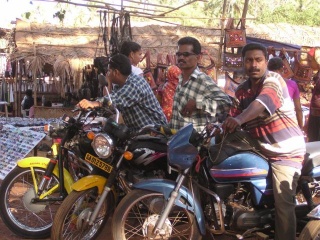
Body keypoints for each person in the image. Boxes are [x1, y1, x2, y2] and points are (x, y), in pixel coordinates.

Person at [222, 43, 306, 240]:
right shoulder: (242, 89)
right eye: (249, 60)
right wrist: (218, 126)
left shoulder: (274, 80)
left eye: (258, 60)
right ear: (243, 63)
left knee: (283, 204)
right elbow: (232, 115)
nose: (254, 64)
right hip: (260, 146)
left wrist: (239, 120)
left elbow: (260, 105)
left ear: (266, 62)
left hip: (284, 151)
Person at [78, 53, 167, 133]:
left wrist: (94, 103)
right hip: (137, 133)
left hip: (154, 132)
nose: (107, 74)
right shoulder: (120, 86)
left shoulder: (135, 83)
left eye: (109, 71)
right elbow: (111, 103)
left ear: (116, 72)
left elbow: (115, 100)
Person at [169, 36, 231, 132]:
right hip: (177, 141)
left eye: (186, 54)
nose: (181, 58)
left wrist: (198, 103)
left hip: (194, 143)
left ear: (198, 57)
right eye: (179, 54)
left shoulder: (203, 80)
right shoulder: (180, 79)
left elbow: (226, 104)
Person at [267, 56, 303, 129]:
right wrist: (300, 128)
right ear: (282, 69)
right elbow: (298, 109)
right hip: (287, 123)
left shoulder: (264, 83)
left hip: (269, 124)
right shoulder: (292, 84)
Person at [307, 71, 320, 142]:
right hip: (315, 110)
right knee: (313, 135)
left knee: (315, 135)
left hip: (317, 110)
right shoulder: (318, 73)